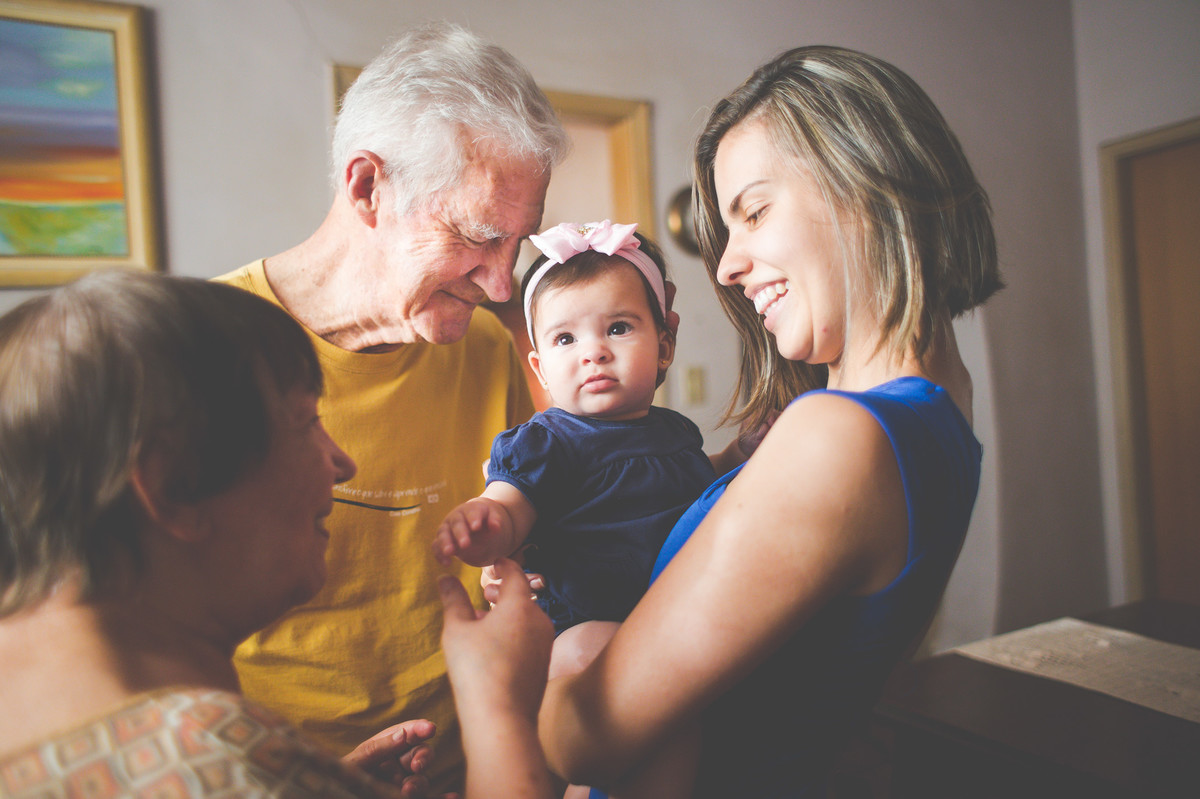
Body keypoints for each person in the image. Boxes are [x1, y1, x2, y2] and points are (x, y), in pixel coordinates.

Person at [535, 45, 1003, 798]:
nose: (725, 265)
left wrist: (505, 665)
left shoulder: (836, 438)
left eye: (753, 211)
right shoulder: (942, 402)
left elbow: (585, 740)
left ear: (865, 182)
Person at [0, 270, 558, 799]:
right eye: (304, 423)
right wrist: (498, 704)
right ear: (171, 487)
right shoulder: (211, 757)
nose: (343, 464)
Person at [216, 22, 569, 794]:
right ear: (367, 187)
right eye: (477, 236)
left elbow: (540, 528)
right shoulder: (198, 348)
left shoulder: (488, 347)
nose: (503, 285)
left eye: (519, 243)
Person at [434, 221, 742, 682]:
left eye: (618, 328)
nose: (593, 352)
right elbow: (510, 509)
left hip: (676, 617)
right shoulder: (546, 442)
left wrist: (736, 455)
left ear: (664, 347)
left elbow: (697, 488)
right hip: (584, 628)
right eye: (565, 339)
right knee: (585, 650)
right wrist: (485, 526)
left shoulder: (674, 431)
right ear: (540, 369)